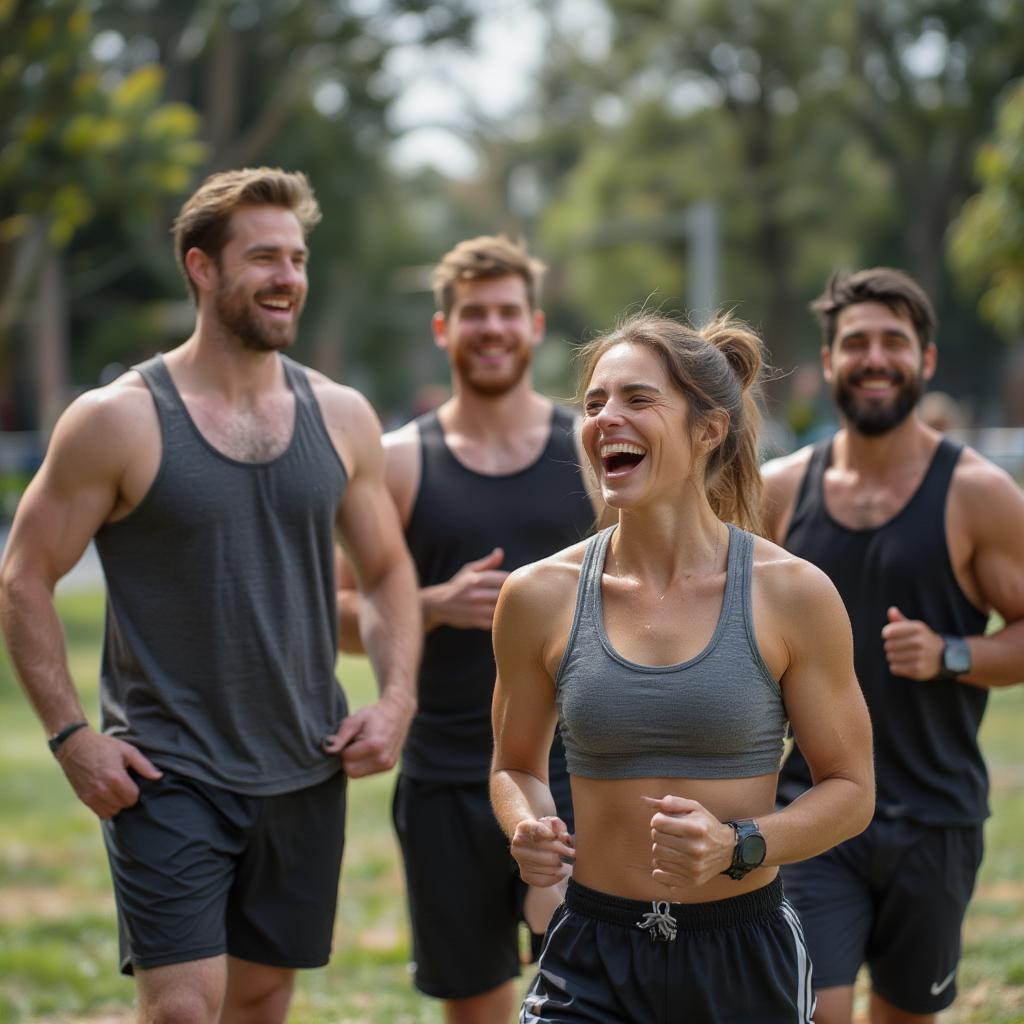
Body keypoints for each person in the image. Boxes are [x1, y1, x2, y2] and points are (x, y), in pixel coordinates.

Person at [0, 168, 421, 1024]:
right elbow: (24, 576)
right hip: (169, 769)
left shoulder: (340, 416)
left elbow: (385, 572)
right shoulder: (117, 420)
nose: (287, 278)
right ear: (201, 268)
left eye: (297, 259)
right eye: (263, 257)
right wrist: (72, 736)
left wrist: (397, 701)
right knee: (184, 1011)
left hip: (306, 765)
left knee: (262, 1002)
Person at [490, 312, 875, 1023]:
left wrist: (740, 844)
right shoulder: (537, 596)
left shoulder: (791, 593)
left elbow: (851, 791)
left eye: (638, 400)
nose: (607, 418)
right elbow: (514, 766)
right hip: (589, 952)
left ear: (709, 430)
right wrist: (528, 827)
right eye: (595, 402)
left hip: (742, 953)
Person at [337, 235, 603, 1024]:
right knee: (475, 1006)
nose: (492, 329)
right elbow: (334, 615)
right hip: (449, 777)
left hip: (586, 770)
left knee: (598, 991)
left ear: (535, 325)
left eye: (507, 313)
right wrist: (429, 603)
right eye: (474, 314)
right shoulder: (398, 462)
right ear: (444, 331)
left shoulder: (589, 449)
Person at [762, 267, 1024, 1024]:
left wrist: (954, 654)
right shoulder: (781, 492)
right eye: (857, 343)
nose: (874, 357)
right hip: (811, 811)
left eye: (893, 342)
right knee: (811, 1009)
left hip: (934, 817)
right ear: (830, 359)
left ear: (926, 361)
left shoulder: (978, 494)